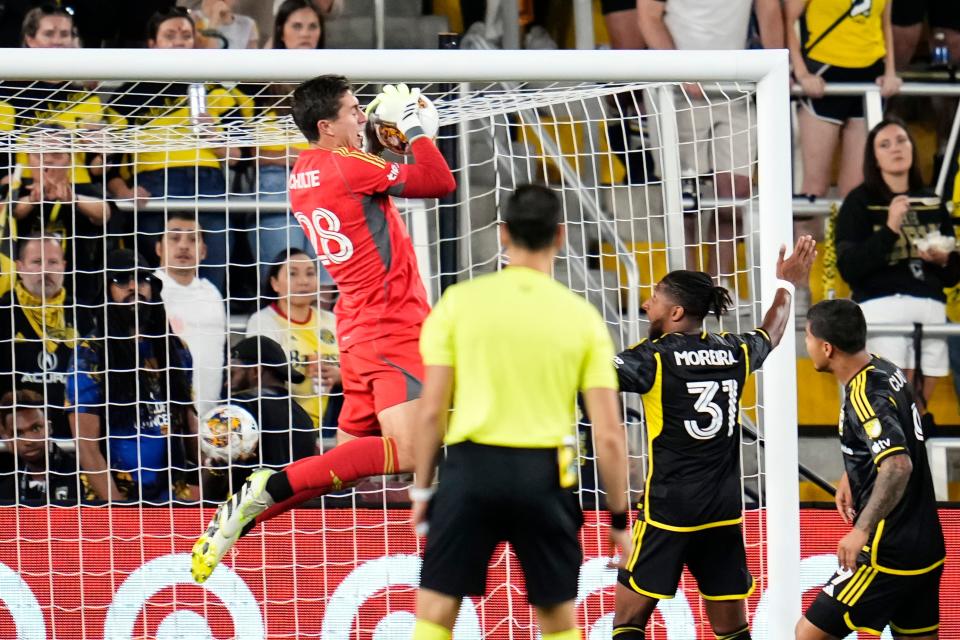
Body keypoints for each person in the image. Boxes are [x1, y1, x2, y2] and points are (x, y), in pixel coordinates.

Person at [191, 75, 455, 584]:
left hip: (354, 326)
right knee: (416, 451)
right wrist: (414, 129)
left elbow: (363, 189)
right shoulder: (348, 164)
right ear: (326, 125)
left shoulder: (301, 172)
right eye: (355, 110)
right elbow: (439, 182)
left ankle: (243, 517)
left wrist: (377, 140)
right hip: (391, 325)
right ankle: (269, 484)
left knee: (337, 466)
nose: (362, 116)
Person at [408, 185, 631, 640]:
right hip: (546, 474)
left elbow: (432, 411)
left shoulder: (459, 303)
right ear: (561, 236)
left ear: (504, 233)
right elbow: (609, 433)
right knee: (556, 620)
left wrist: (422, 492)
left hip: (471, 468)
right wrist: (619, 518)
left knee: (434, 610)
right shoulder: (581, 317)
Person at [612, 236, 817, 638]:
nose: (645, 305)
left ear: (675, 311)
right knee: (733, 629)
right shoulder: (734, 351)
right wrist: (786, 283)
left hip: (668, 512)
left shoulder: (653, 357)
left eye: (654, 298)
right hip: (723, 509)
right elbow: (771, 333)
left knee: (628, 622)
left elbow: (588, 378)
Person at [796, 299, 945, 640]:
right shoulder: (886, 370)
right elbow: (897, 436)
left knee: (807, 636)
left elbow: (897, 464)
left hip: (885, 552)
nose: (806, 345)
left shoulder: (864, 393)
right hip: (926, 544)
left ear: (827, 347)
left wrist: (861, 530)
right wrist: (857, 469)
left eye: (807, 337)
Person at [639, 0, 783, 289]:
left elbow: (768, 10)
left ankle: (719, 286)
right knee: (684, 199)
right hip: (676, 93)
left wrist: (776, 69)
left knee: (735, 192)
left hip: (735, 88)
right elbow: (648, 17)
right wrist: (682, 69)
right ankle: (687, 289)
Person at [106, 7, 248, 295]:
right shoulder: (127, 96)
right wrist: (122, 192)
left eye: (185, 35)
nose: (179, 42)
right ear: (152, 44)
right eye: (169, 35)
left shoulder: (216, 90)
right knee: (157, 288)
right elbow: (107, 167)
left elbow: (238, 157)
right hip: (153, 189)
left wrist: (212, 135)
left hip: (208, 187)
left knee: (210, 285)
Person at [835, 118, 960, 412]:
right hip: (882, 305)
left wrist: (944, 260)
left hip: (931, 305)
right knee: (895, 400)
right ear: (873, 157)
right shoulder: (859, 202)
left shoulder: (931, 201)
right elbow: (849, 267)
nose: (896, 149)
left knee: (920, 406)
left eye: (902, 140)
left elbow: (952, 275)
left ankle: (916, 456)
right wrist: (890, 230)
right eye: (885, 144)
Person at [66, 249, 198, 504]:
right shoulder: (90, 355)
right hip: (115, 499)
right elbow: (86, 446)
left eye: (141, 279)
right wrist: (118, 512)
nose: (133, 287)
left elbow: (188, 422)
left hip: (173, 498)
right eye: (121, 280)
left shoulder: (175, 349)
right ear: (106, 289)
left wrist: (205, 480)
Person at [787, 0, 901, 204]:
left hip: (870, 76)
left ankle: (845, 237)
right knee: (814, 189)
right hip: (824, 76)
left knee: (855, 192)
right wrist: (801, 73)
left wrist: (890, 71)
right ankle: (808, 238)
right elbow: (787, 20)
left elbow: (885, 23)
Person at [246, 0, 328, 284]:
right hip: (275, 183)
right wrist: (298, 158)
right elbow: (248, 150)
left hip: (326, 183)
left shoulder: (334, 80)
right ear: (281, 31)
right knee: (286, 280)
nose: (305, 33)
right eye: (297, 25)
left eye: (312, 26)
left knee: (326, 284)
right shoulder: (259, 83)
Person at [0, 236, 95, 440]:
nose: (45, 270)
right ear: (19, 267)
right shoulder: (3, 311)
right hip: (17, 440)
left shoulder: (82, 312)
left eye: (53, 262)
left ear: (64, 266)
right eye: (36, 262)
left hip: (75, 436)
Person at [202, 336, 317, 502]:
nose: (227, 384)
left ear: (256, 371)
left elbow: (213, 488)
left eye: (233, 373)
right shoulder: (304, 418)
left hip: (249, 517)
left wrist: (213, 472)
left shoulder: (238, 409)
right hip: (293, 517)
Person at [245, 248, 340, 433]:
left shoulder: (331, 320)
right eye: (292, 274)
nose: (303, 281)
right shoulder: (263, 321)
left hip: (332, 414)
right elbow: (262, 378)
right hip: (284, 419)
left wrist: (339, 376)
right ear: (274, 283)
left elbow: (356, 367)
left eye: (310, 274)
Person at [12, 144, 110, 304]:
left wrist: (74, 199)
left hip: (77, 294)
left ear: (70, 159)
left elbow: (104, 213)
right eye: (40, 154)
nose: (48, 160)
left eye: (56, 154)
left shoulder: (85, 190)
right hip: (19, 296)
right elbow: (7, 210)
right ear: (29, 159)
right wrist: (32, 199)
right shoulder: (15, 191)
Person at [154, 212, 227, 417]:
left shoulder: (212, 294)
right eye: (175, 238)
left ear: (203, 251)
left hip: (208, 415)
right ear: (159, 248)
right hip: (162, 415)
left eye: (193, 239)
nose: (184, 246)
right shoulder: (148, 290)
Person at [0, 388, 81, 505]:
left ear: (49, 427)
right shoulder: (5, 491)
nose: (29, 441)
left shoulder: (81, 474)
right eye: (18, 433)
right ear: (7, 438)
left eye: (36, 428)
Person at [191, 0, 260, 49]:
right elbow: (208, 59)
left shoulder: (248, 24)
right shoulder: (192, 19)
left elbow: (253, 62)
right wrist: (214, 18)